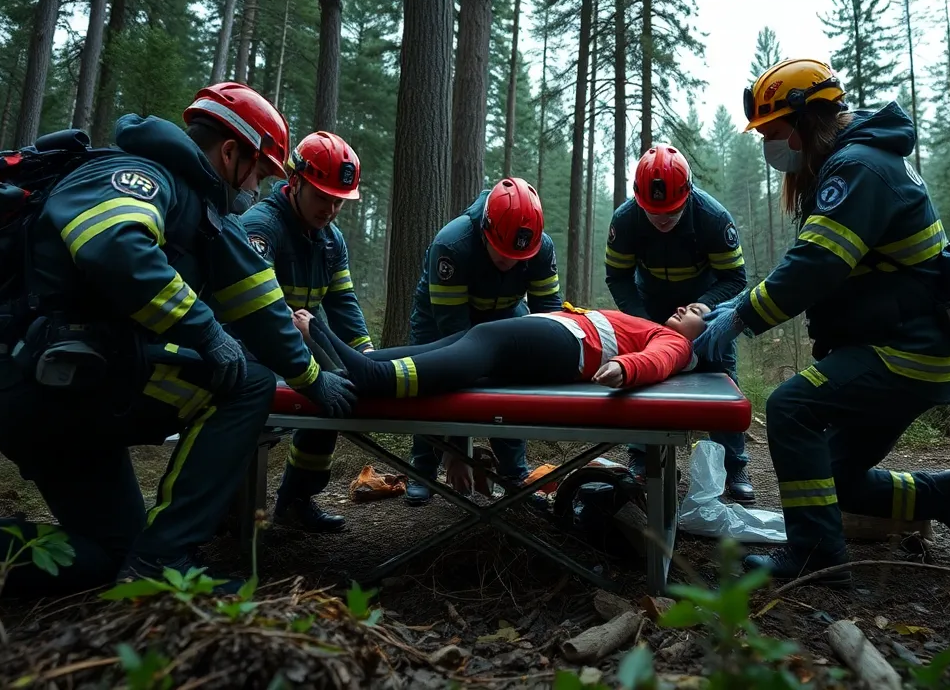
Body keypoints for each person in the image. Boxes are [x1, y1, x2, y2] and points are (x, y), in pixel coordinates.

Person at [0, 83, 356, 592]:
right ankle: (167, 560)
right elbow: (115, 248)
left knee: (106, 559)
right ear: (230, 153)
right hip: (47, 383)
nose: (257, 188)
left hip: (74, 386)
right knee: (248, 383)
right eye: (259, 172)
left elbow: (260, 305)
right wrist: (206, 331)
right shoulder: (140, 176)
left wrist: (311, 376)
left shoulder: (204, 213)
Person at [695, 58, 950, 586]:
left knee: (791, 407)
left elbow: (818, 264)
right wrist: (737, 307)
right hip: (903, 345)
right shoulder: (853, 163)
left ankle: (816, 555)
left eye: (773, 132)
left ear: (804, 120)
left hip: (907, 351)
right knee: (829, 477)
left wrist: (741, 315)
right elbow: (818, 260)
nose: (769, 146)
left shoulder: (859, 168)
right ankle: (943, 492)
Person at [241, 132, 374, 533]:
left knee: (339, 388)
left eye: (339, 201)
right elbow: (257, 314)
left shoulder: (331, 241)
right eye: (322, 197)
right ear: (295, 181)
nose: (330, 210)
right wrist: (310, 370)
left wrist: (367, 359)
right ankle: (231, 511)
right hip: (245, 348)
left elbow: (344, 305)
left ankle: (297, 499)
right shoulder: (261, 227)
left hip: (294, 347)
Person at [605, 146, 754, 502]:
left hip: (706, 302)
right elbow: (618, 277)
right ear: (638, 198)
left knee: (721, 374)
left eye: (671, 211)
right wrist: (639, 320)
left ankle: (734, 465)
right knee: (645, 375)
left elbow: (735, 278)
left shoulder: (713, 218)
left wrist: (706, 307)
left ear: (687, 194)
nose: (662, 219)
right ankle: (641, 456)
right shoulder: (625, 221)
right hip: (649, 301)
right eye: (653, 211)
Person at [404, 177, 563, 503]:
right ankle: (423, 468)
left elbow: (549, 316)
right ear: (485, 231)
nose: (511, 263)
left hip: (504, 314)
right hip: (441, 322)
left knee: (510, 384)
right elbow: (455, 339)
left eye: (519, 257)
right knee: (434, 381)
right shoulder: (452, 245)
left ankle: (514, 472)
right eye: (503, 255)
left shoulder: (540, 248)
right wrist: (458, 449)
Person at [299, 302, 708, 400]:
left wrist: (625, 367)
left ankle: (334, 345)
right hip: (559, 338)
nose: (683, 308)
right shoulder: (662, 329)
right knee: (460, 345)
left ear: (700, 336)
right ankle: (350, 368)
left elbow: (657, 361)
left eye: (694, 312)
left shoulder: (678, 344)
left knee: (484, 342)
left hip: (566, 343)